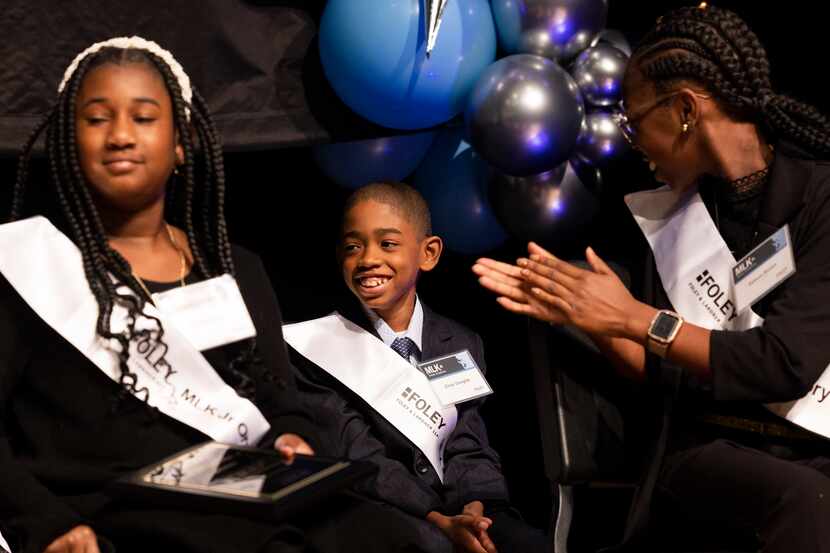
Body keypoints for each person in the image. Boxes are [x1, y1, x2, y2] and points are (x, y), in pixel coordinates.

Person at [0, 37, 430, 553]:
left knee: (389, 537)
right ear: (69, 142)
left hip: (238, 489)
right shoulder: (23, 265)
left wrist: (290, 437)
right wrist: (44, 522)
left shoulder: (236, 268)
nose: (119, 136)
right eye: (96, 119)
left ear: (180, 141)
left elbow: (280, 399)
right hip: (110, 513)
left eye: (143, 117)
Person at [473, 5, 830, 552]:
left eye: (634, 121)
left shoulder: (818, 198)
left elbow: (785, 363)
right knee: (809, 503)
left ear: (685, 110)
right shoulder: (669, 216)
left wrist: (634, 317)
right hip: (707, 447)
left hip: (810, 443)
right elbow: (658, 371)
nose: (633, 144)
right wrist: (587, 315)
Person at [284, 182, 548, 553]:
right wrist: (438, 518)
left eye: (387, 244)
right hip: (380, 508)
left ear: (429, 253)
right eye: (352, 246)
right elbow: (359, 454)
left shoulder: (458, 342)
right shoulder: (317, 347)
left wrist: (475, 507)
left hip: (460, 506)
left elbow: (467, 442)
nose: (368, 259)